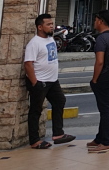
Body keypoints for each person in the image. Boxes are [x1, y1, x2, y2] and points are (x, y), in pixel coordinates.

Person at [24, 13, 75, 148]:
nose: (52, 27)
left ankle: (58, 133)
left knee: (60, 101)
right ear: (40, 27)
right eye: (48, 25)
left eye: (52, 24)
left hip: (52, 80)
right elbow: (28, 64)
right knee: (36, 110)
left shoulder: (50, 39)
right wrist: (35, 82)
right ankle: (34, 141)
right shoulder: (34, 43)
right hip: (40, 81)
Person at [88, 10, 109, 153]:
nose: (94, 22)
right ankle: (99, 138)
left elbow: (99, 62)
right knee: (106, 107)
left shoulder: (102, 39)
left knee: (105, 110)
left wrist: (94, 79)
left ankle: (106, 141)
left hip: (105, 77)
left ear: (100, 21)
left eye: (96, 20)